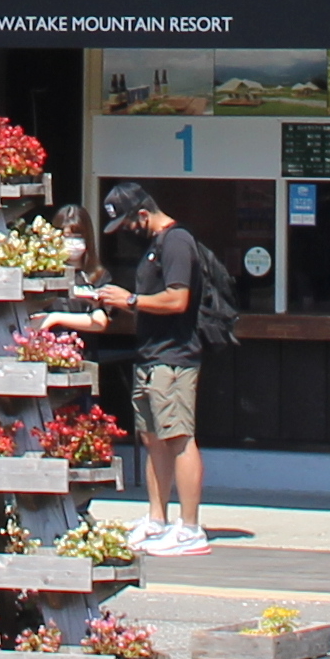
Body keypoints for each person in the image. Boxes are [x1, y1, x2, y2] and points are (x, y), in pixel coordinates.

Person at [92, 186, 208, 557]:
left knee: (178, 437)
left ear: (143, 214)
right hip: (150, 353)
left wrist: (129, 299)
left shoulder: (177, 241)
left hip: (174, 356)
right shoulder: (157, 244)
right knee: (152, 437)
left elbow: (177, 298)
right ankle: (157, 519)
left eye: (127, 222)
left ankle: (190, 528)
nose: (126, 230)